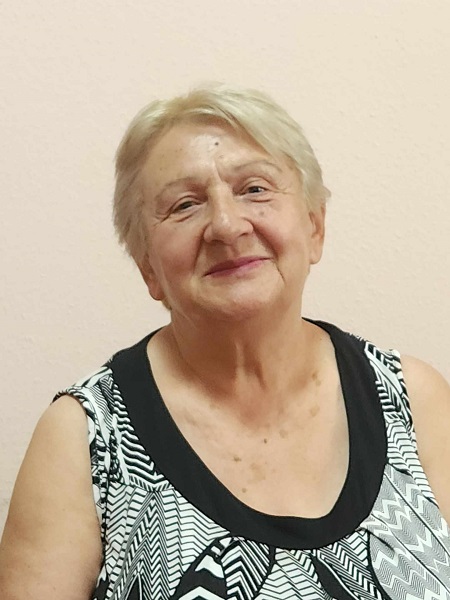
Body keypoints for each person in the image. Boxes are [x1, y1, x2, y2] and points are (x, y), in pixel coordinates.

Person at [0, 84, 449, 600]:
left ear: (314, 227)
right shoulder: (83, 438)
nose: (227, 225)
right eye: (185, 205)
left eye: (255, 189)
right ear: (148, 268)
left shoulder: (413, 400)